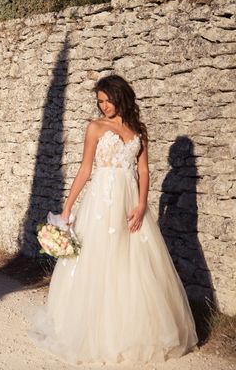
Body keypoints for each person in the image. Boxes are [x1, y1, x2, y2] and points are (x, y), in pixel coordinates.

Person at [29, 74, 198, 364]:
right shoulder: (95, 127)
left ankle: (135, 331)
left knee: (134, 264)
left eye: (107, 100)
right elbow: (84, 170)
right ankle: (92, 331)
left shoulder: (139, 131)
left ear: (120, 97)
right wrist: (67, 208)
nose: (103, 106)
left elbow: (143, 171)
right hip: (101, 204)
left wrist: (142, 204)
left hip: (130, 203)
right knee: (98, 261)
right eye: (100, 102)